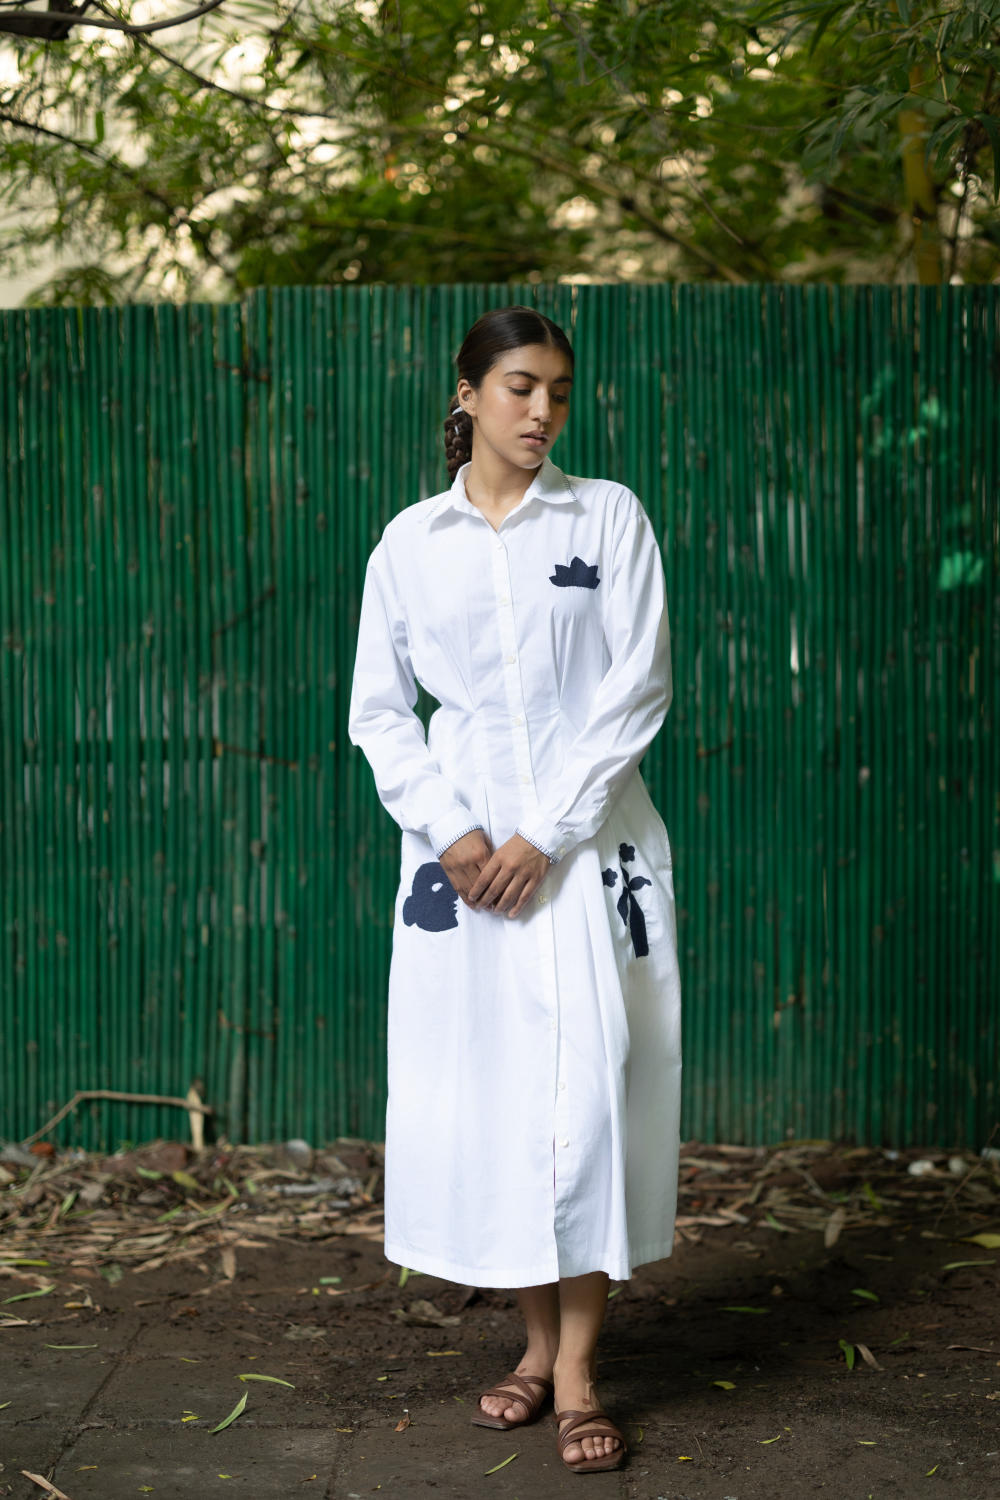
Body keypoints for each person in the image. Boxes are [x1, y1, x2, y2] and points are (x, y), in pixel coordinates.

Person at [347, 304, 682, 1475]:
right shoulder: (411, 543)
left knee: (587, 1094)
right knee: (499, 1098)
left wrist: (546, 832)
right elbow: (379, 711)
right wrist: (451, 832)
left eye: (558, 392)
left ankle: (581, 1371)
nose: (543, 411)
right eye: (520, 387)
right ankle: (537, 1350)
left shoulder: (607, 515)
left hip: (584, 843)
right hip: (461, 863)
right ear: (467, 393)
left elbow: (636, 687)